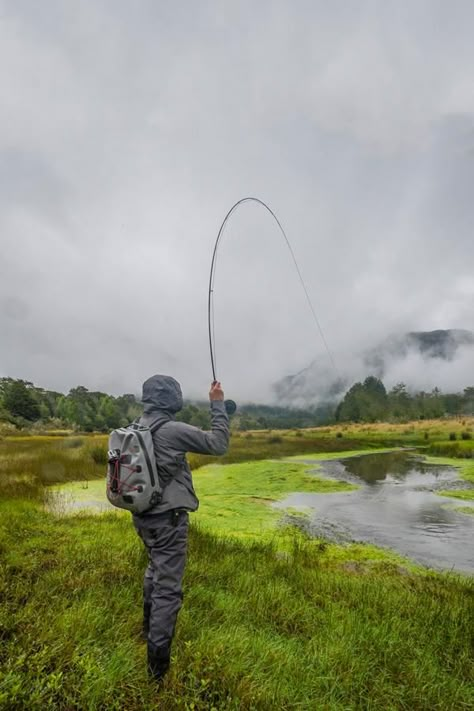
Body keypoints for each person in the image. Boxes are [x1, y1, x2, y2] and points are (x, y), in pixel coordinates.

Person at [133, 374, 229, 683]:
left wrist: (223, 413)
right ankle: (156, 672)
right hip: (168, 520)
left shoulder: (138, 426)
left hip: (142, 515)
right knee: (168, 589)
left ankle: (147, 631)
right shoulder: (172, 430)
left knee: (153, 570)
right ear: (174, 399)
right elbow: (218, 443)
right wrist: (217, 405)